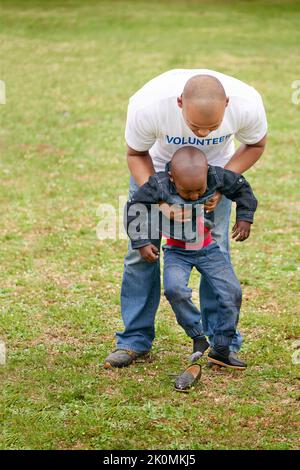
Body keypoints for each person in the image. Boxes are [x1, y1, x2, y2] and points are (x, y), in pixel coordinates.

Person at [104, 69, 267, 368]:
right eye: (195, 126)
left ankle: (222, 343)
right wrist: (161, 201)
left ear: (228, 105)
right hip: (155, 171)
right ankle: (134, 340)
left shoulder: (248, 103)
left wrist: (223, 182)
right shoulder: (148, 105)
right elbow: (135, 153)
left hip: (211, 174)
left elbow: (256, 144)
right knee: (141, 254)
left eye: (212, 127)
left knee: (215, 253)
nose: (203, 134)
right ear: (179, 103)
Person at [120, 146, 257, 370]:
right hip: (177, 252)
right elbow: (136, 206)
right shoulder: (160, 184)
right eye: (187, 192)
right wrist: (142, 242)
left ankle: (222, 347)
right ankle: (197, 334)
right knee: (174, 290)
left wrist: (245, 218)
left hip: (209, 251)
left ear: (207, 172)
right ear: (173, 178)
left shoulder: (216, 176)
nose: (194, 196)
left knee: (232, 292)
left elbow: (242, 188)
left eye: (199, 190)